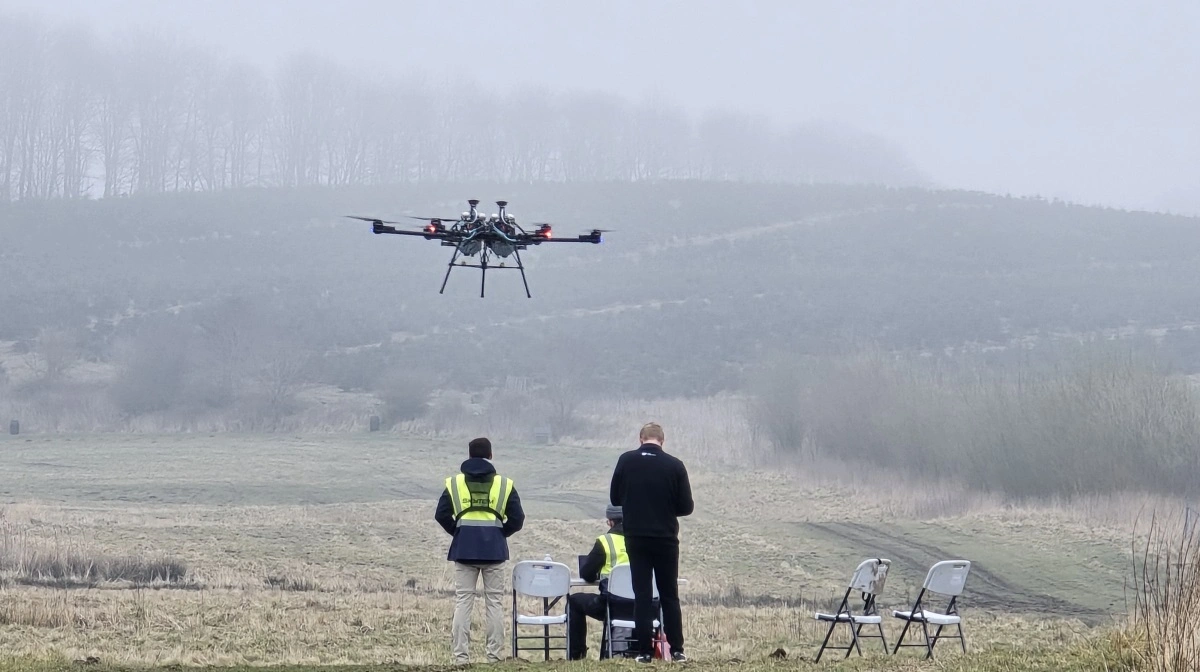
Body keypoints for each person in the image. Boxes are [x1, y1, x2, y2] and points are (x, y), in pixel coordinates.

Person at [435, 437, 525, 665]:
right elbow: (517, 518)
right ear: (491, 455)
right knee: (494, 602)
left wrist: (458, 530)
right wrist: (500, 533)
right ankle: (494, 658)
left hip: (464, 549)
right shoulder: (504, 484)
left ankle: (460, 658)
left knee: (463, 601)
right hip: (494, 550)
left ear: (469, 455)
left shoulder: (454, 483)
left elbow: (441, 514)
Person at [609, 422, 694, 663]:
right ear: (662, 441)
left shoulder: (626, 461)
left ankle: (644, 651)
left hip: (636, 537)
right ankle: (677, 649)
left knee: (643, 595)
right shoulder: (675, 465)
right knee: (669, 595)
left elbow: (615, 498)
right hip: (665, 538)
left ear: (640, 438)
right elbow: (686, 507)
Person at [566, 505, 645, 660]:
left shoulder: (605, 541)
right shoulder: (642, 540)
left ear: (610, 522)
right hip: (643, 607)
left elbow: (587, 573)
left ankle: (577, 655)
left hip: (612, 606)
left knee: (574, 601)